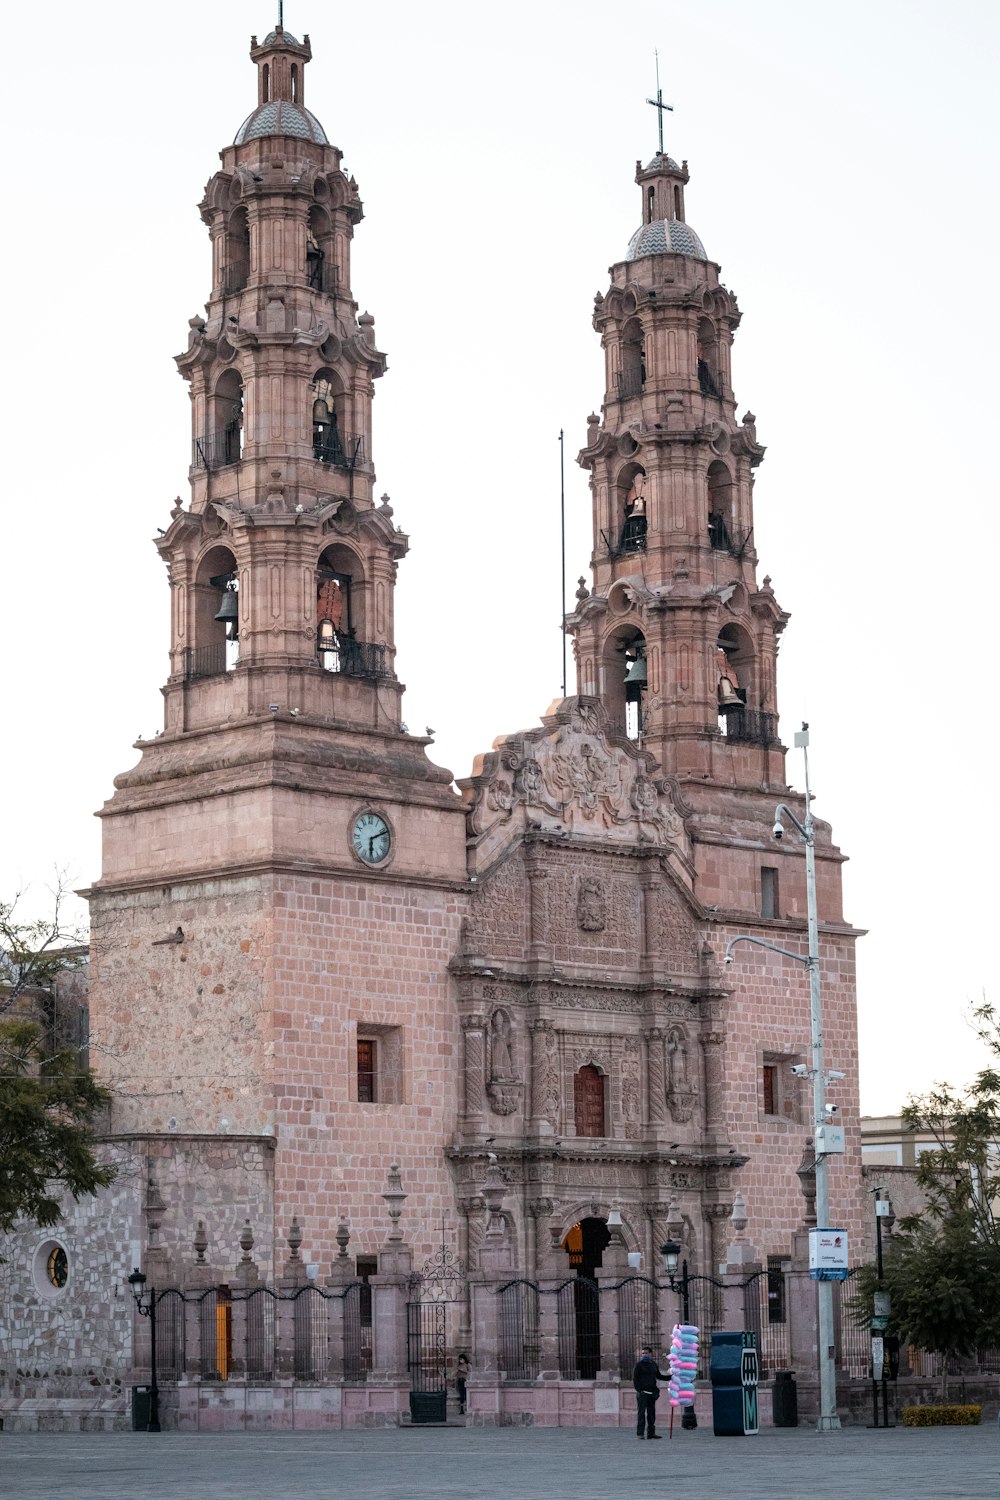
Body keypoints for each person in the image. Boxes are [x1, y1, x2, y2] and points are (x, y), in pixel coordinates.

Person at [633, 1345, 667, 1439]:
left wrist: (671, 1377)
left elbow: (659, 1376)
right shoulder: (639, 1365)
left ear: (651, 1354)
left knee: (651, 1414)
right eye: (643, 1353)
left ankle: (651, 1433)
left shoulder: (653, 1364)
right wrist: (639, 1390)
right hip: (643, 1393)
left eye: (646, 1353)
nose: (644, 1355)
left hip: (652, 1393)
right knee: (641, 1413)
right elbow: (635, 1378)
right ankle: (640, 1433)